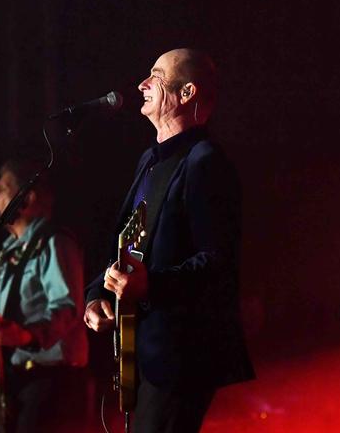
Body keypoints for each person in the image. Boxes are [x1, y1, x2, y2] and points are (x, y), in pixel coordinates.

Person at [84, 48, 255, 432]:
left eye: (155, 76)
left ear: (187, 92)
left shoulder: (205, 162)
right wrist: (96, 294)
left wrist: (152, 285)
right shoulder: (149, 160)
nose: (142, 84)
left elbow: (217, 261)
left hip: (181, 355)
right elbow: (123, 244)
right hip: (144, 351)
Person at [0, 158, 88, 432]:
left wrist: (27, 336)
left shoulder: (53, 242)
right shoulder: (6, 252)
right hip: (19, 381)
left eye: (2, 189)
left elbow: (68, 309)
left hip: (52, 382)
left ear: (28, 196)